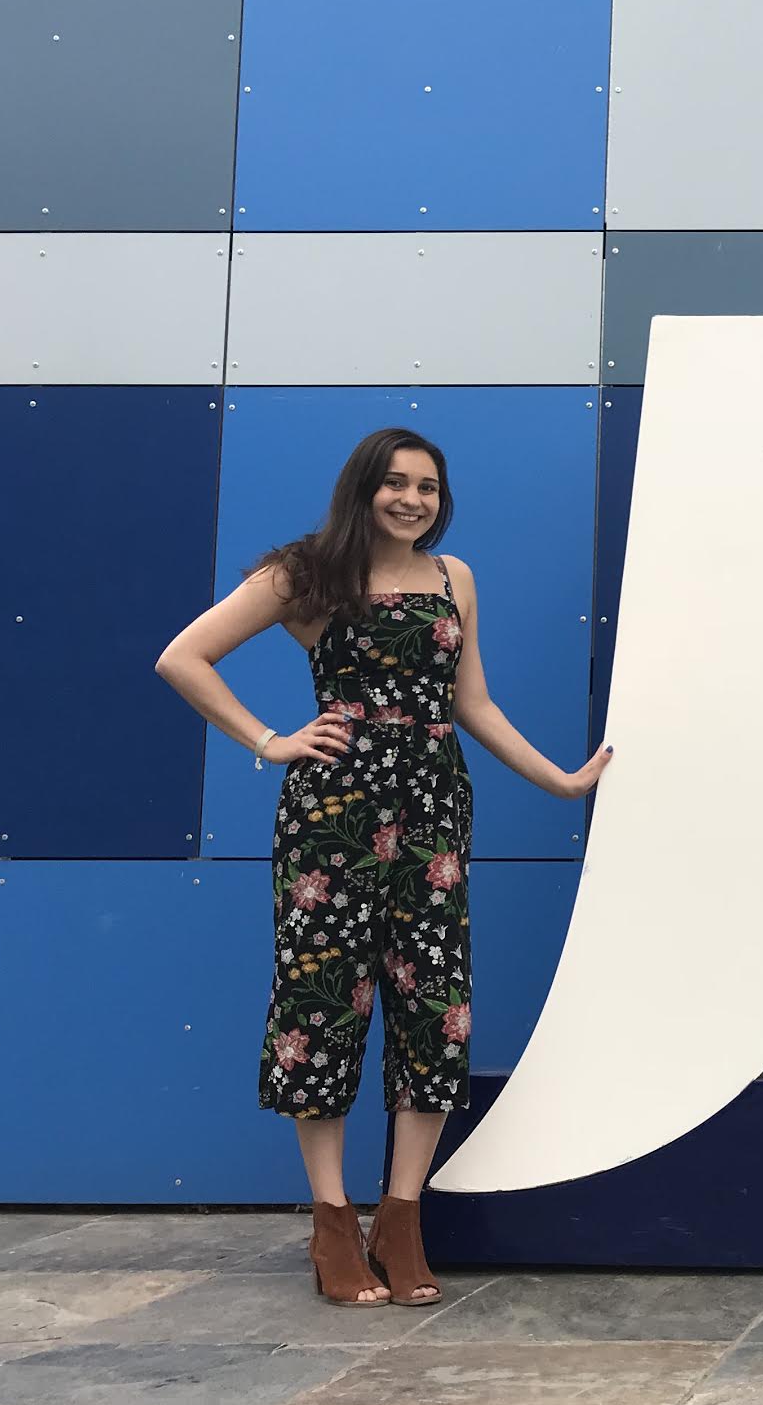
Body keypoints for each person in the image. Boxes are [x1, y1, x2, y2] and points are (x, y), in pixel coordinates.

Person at [157, 428, 612, 1306]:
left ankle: (400, 1217)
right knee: (324, 1002)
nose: (414, 500)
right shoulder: (306, 573)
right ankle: (333, 1221)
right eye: (397, 484)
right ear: (363, 488)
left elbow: (469, 701)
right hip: (333, 820)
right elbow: (183, 656)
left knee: (433, 1009)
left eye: (430, 488)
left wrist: (559, 780)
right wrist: (271, 741)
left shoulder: (455, 579)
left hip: (434, 815)